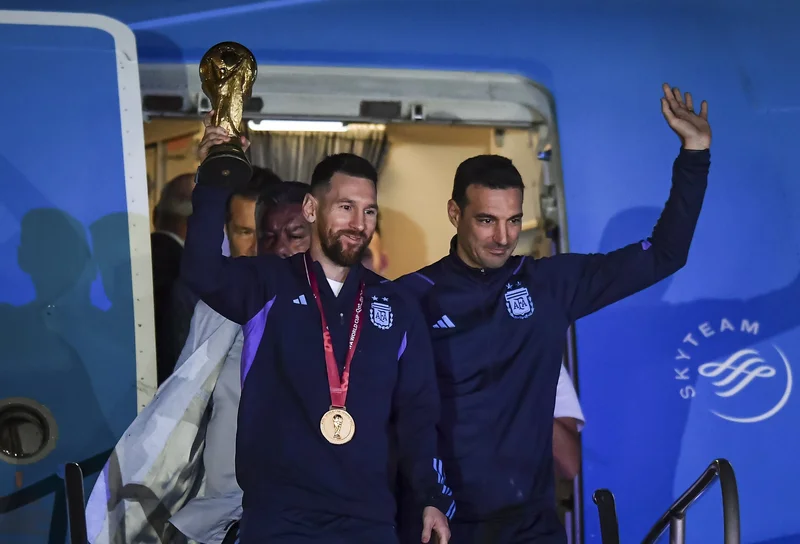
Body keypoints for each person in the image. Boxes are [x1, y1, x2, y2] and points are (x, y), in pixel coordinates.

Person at [395, 84, 712, 543]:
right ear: (454, 213)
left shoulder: (548, 284)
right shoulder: (411, 297)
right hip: (443, 523)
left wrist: (695, 154)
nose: (502, 237)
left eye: (512, 220)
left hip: (533, 525)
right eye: (486, 220)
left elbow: (665, 254)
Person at [180, 116, 453, 543]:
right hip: (280, 520)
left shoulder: (397, 305)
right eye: (345, 207)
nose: (358, 223)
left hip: (369, 522)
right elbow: (201, 270)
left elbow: (417, 413)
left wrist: (429, 497)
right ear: (311, 209)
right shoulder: (268, 284)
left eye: (368, 211)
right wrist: (215, 179)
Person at [85, 181, 311, 544]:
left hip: (297, 509)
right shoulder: (216, 307)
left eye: (295, 236)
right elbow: (183, 401)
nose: (278, 248)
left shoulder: (344, 316)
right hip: (219, 509)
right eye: (257, 234)